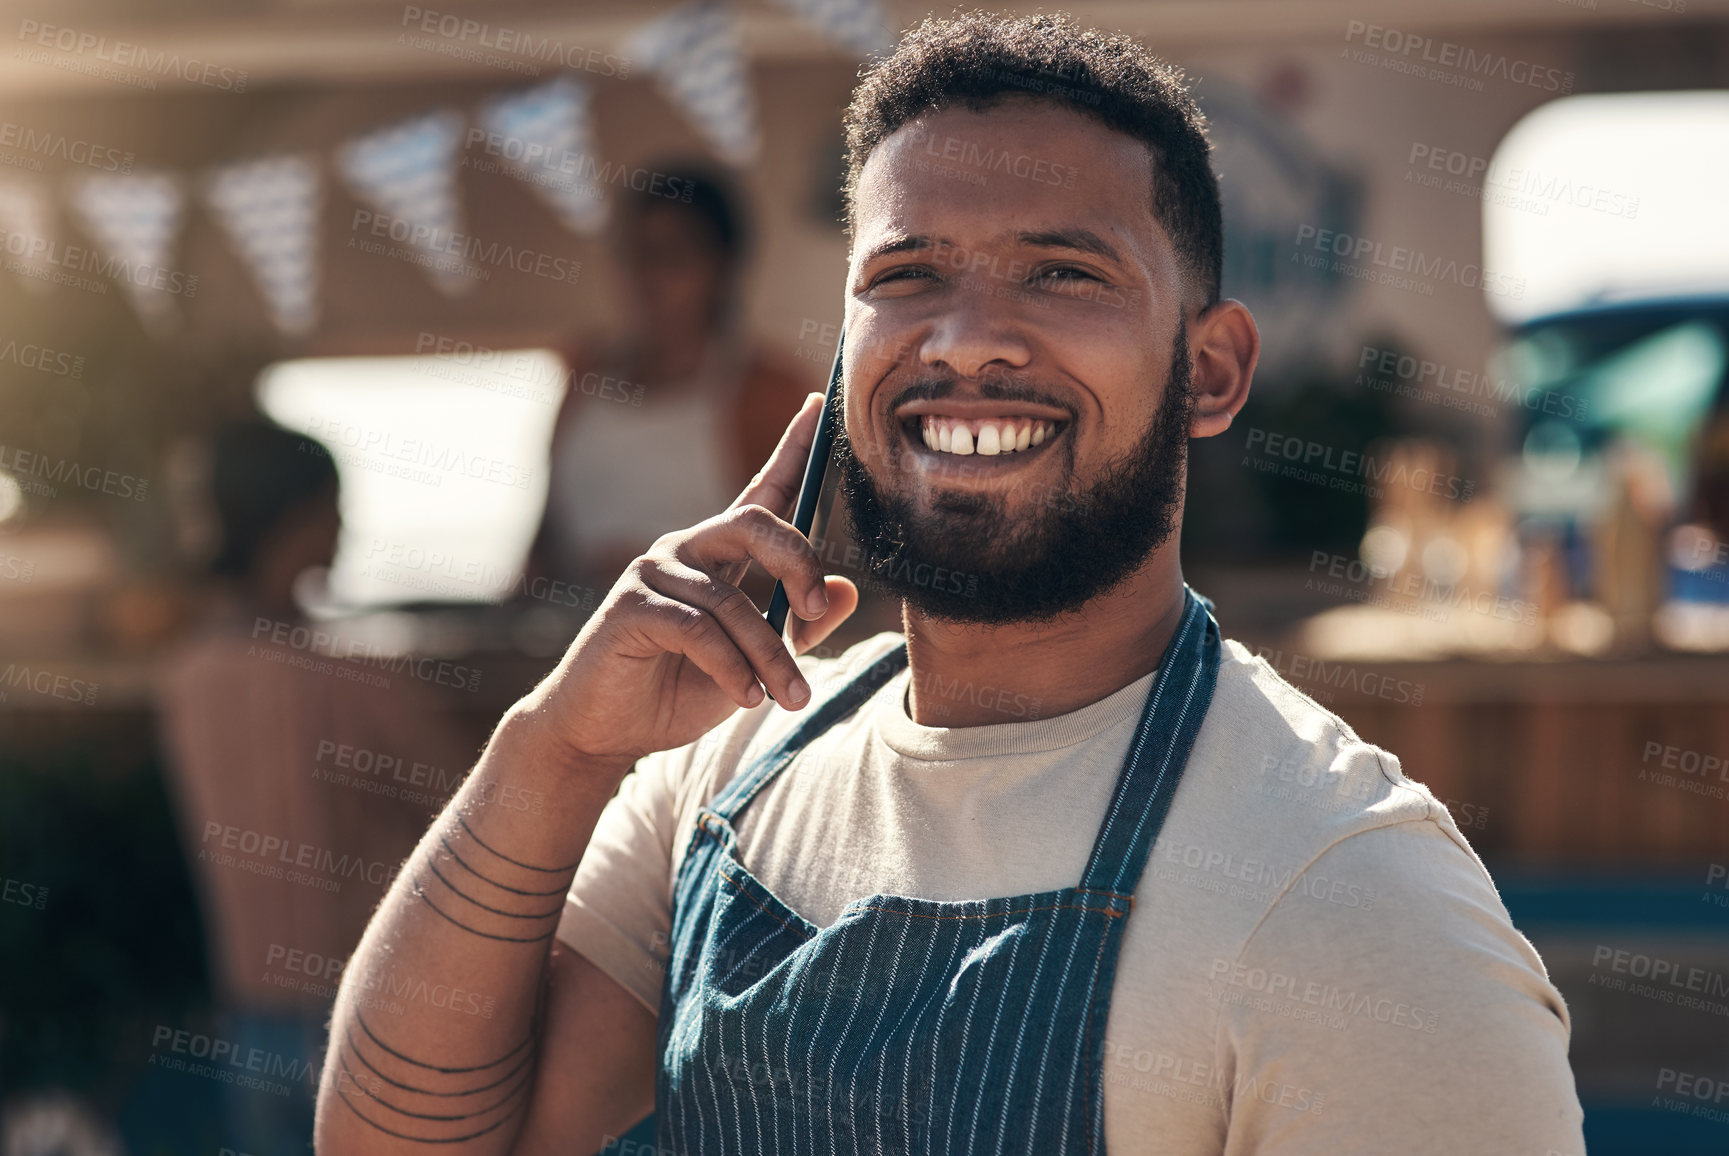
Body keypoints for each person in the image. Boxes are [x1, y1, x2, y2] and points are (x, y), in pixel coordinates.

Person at [313, 14, 1585, 1154]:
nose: (965, 334)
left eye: (1063, 273)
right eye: (904, 275)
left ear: (1209, 370)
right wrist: (554, 751)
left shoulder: (1355, 902)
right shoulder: (728, 770)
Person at [159, 421, 468, 1155]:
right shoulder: (350, 681)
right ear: (293, 522)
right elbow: (472, 811)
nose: (347, 526)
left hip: (248, 1020)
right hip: (363, 1020)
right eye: (335, 506)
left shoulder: (189, 676)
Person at [531, 166, 814, 596]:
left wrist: (654, 579)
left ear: (721, 266)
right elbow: (545, 537)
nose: (651, 277)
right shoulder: (584, 373)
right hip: (574, 635)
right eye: (639, 255)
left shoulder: (768, 392)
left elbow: (802, 571)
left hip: (705, 646)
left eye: (673, 256)